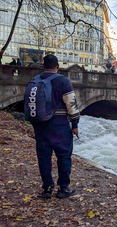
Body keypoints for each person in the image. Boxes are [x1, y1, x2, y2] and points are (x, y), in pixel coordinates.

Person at [29, 54, 80, 199]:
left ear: (43, 66)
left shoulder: (34, 81)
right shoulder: (63, 81)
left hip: (40, 125)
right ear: (57, 66)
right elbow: (72, 104)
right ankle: (63, 188)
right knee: (64, 156)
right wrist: (75, 124)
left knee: (44, 157)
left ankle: (47, 188)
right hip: (59, 125)